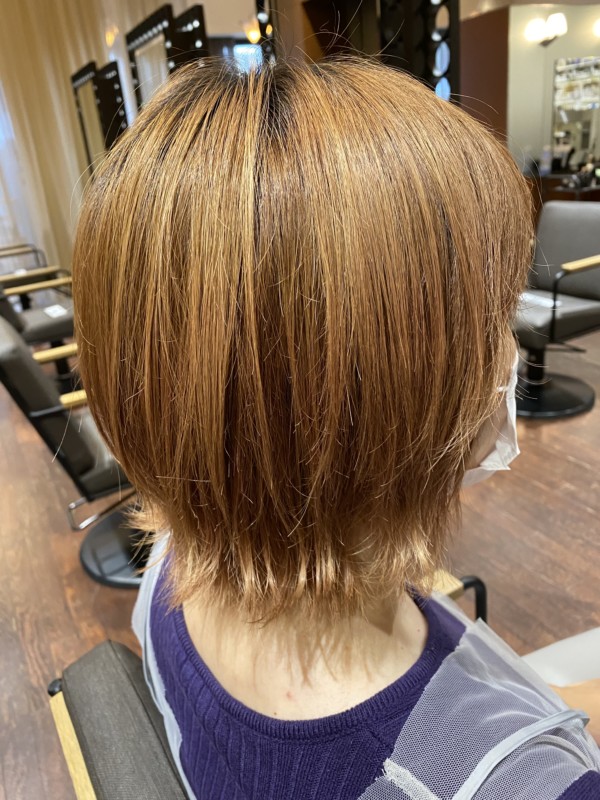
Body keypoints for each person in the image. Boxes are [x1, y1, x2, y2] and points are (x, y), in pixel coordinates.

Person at [72, 58, 600, 799]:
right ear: (393, 389)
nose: (508, 354)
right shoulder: (525, 785)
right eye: (494, 318)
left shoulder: (169, 562)